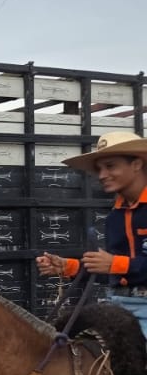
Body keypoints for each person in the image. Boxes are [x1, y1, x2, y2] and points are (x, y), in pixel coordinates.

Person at [37, 131, 147, 336]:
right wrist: (69, 267)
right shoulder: (115, 217)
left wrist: (115, 264)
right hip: (116, 306)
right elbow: (116, 273)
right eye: (99, 169)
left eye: (110, 166)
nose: (102, 175)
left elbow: (118, 265)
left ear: (136, 164)